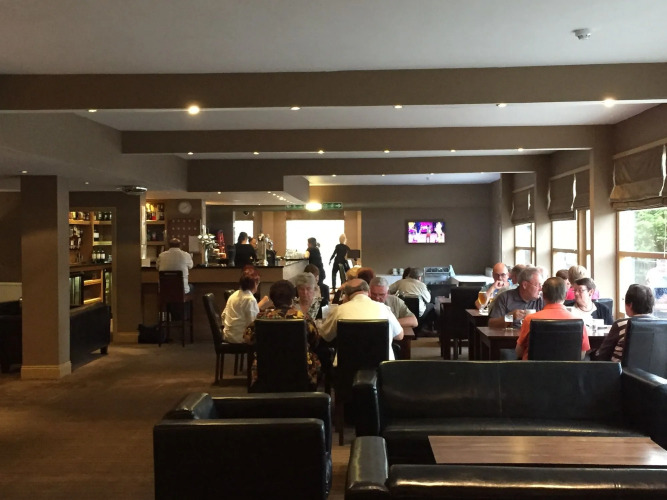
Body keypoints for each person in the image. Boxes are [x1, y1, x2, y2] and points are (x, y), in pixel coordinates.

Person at [243, 280, 322, 390]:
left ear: (272, 299)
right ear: (293, 298)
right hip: (300, 370)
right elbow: (315, 341)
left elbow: (248, 338)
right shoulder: (303, 318)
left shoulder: (262, 318)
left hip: (267, 370)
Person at [320, 279, 403, 362]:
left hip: (347, 365)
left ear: (346, 296)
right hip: (382, 365)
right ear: (369, 292)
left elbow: (326, 336)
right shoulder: (384, 308)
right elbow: (399, 336)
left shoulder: (339, 310)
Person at [516, 277, 590, 360]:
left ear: (543, 296)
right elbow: (581, 354)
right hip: (567, 368)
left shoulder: (529, 319)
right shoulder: (578, 321)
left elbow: (519, 352)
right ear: (566, 296)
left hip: (535, 367)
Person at [593, 284, 655, 362]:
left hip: (621, 369)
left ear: (630, 305)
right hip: (656, 370)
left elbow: (603, 354)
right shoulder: (663, 325)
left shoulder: (621, 324)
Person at [221, 268, 269, 343]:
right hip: (241, 338)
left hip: (227, 336)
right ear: (255, 284)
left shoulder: (234, 295)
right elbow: (253, 323)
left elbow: (223, 315)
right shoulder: (250, 299)